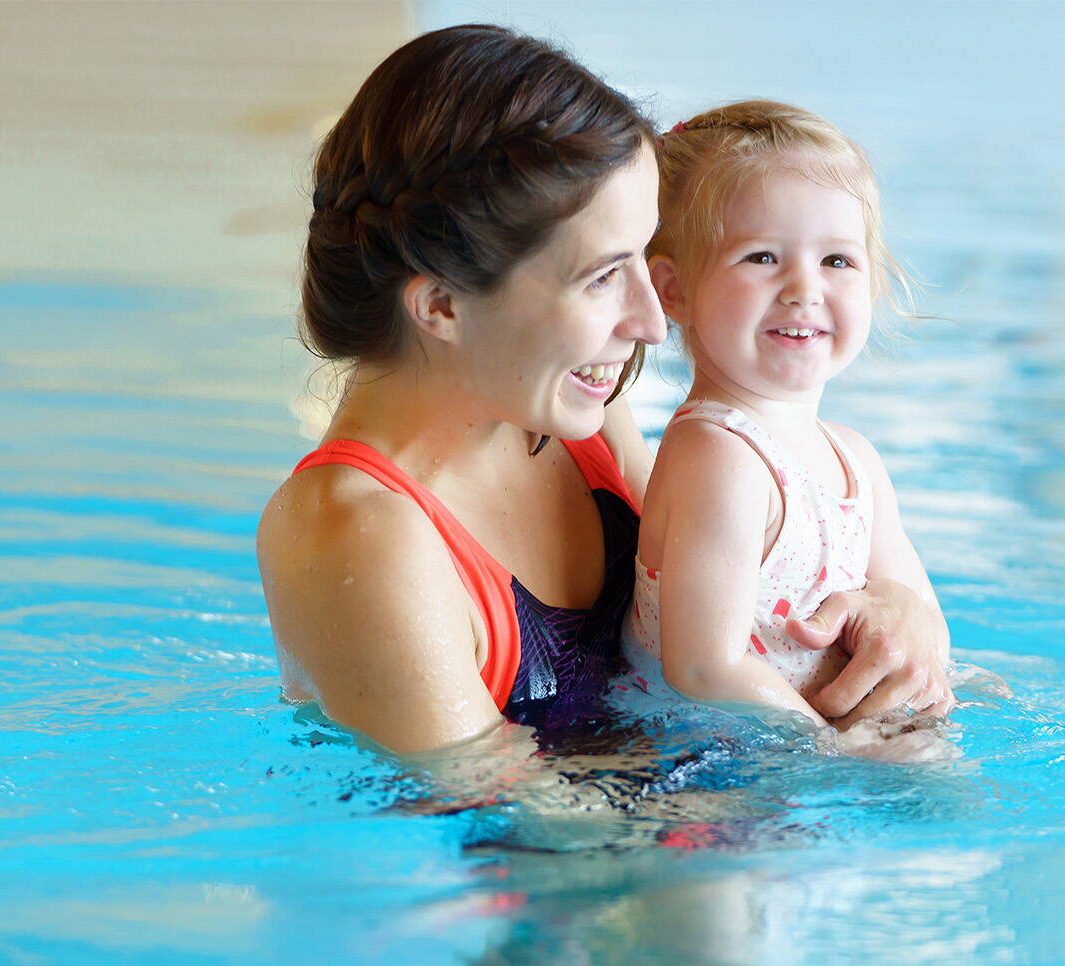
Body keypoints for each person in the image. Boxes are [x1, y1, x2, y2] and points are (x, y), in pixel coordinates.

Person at [258, 28, 952, 754]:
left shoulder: (576, 412)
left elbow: (743, 593)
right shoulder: (355, 535)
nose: (653, 324)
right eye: (602, 276)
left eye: (644, 264)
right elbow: (516, 816)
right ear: (441, 306)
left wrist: (900, 611)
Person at [625, 101, 955, 732]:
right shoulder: (718, 454)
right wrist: (833, 749)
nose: (804, 288)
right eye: (762, 257)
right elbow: (703, 670)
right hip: (707, 767)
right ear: (674, 291)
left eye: (837, 261)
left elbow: (920, 617)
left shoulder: (855, 459)